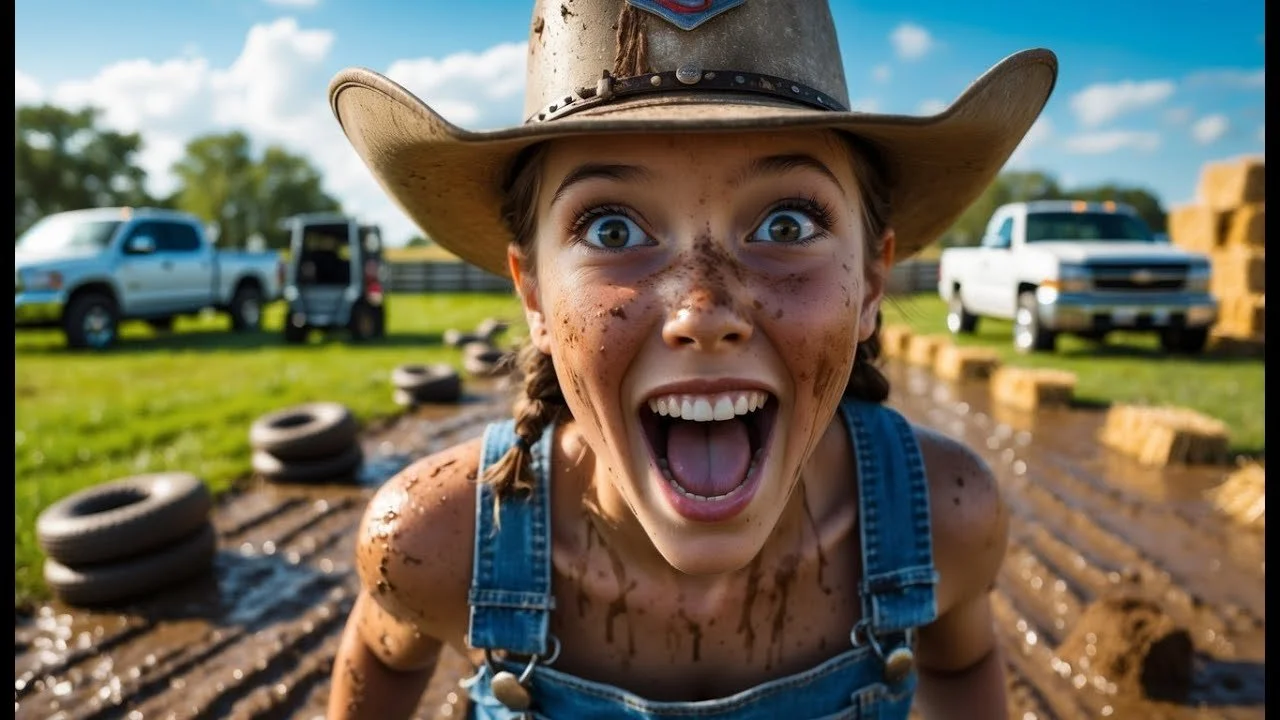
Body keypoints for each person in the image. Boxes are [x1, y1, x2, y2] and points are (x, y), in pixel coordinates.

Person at [325, 1, 1056, 718]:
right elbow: (381, 662)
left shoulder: (941, 520)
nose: (703, 312)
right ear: (535, 292)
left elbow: (963, 665)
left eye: (786, 223)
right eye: (612, 229)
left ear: (870, 280)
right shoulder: (434, 543)